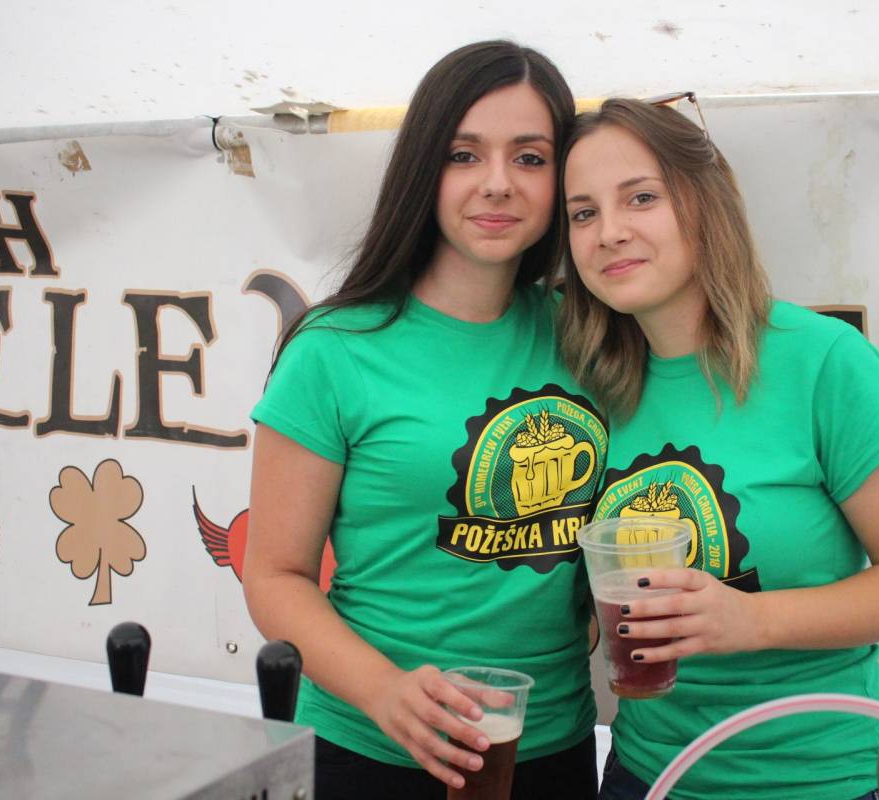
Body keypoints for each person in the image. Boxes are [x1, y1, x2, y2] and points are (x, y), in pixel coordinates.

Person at [558, 98, 879, 800]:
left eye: (642, 197)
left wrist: (750, 620)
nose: (610, 232)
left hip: (814, 780)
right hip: (645, 774)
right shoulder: (591, 384)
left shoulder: (823, 361)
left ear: (706, 202)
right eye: (583, 213)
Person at [243, 41, 608, 800]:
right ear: (422, 170)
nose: (497, 182)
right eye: (463, 155)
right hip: (369, 751)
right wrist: (384, 691)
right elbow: (275, 577)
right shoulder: (335, 349)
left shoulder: (591, 336)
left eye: (531, 158)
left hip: (549, 749)